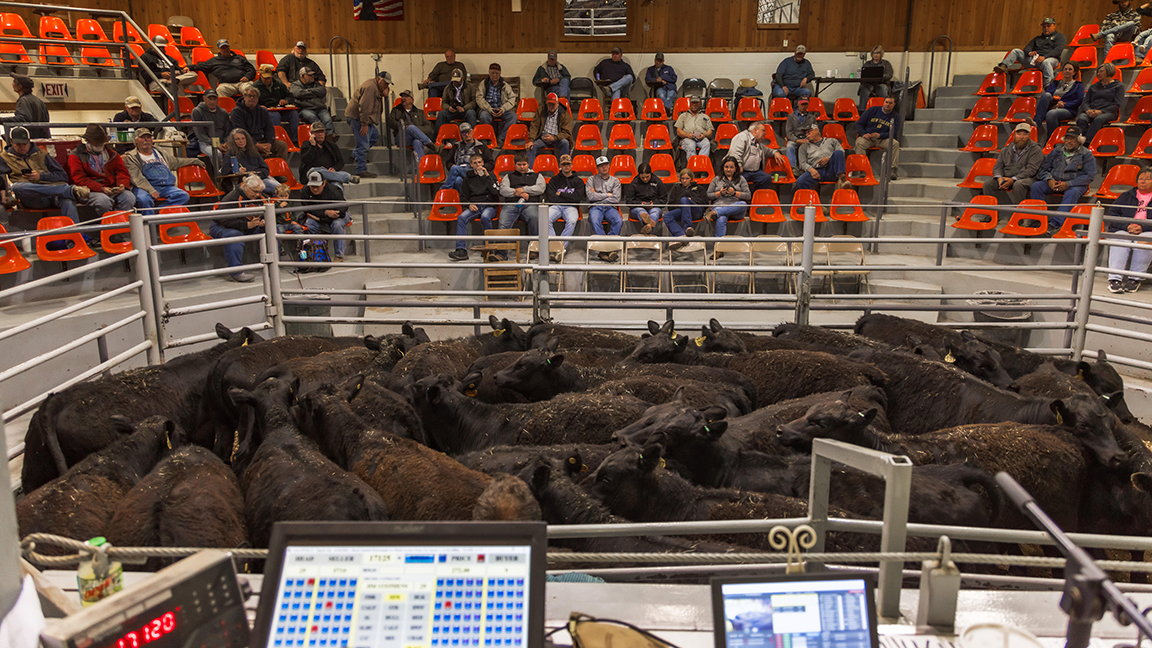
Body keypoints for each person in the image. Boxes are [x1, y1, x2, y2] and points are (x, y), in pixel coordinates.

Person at [0, 126, 88, 222]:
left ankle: (74, 234)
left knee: (68, 200)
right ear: (11, 142)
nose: (22, 147)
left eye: (24, 144)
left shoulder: (42, 154)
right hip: (32, 198)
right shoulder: (4, 157)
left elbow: (63, 176)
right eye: (18, 144)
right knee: (17, 187)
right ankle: (69, 190)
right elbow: (2, 181)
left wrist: (41, 176)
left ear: (29, 141)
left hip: (53, 195)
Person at [122, 128, 203, 214]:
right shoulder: (131, 157)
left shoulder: (160, 152)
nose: (146, 140)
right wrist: (151, 190)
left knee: (183, 196)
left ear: (152, 139)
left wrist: (195, 161)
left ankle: (159, 212)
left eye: (148, 137)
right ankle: (149, 223)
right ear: (136, 140)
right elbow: (136, 178)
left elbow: (176, 162)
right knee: (143, 199)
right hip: (145, 187)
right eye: (142, 137)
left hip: (166, 186)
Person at [1029, 125, 1096, 226]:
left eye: (1072, 139)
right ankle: (1038, 219)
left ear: (1079, 140)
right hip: (1055, 181)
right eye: (1067, 139)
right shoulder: (1056, 152)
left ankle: (1055, 223)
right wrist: (1049, 180)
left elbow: (1090, 175)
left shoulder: (1086, 154)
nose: (1069, 141)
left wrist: (1068, 183)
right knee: (1036, 186)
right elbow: (1044, 169)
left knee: (1073, 192)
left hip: (1075, 184)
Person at [67, 124, 136, 219]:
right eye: (97, 141)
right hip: (88, 190)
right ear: (89, 140)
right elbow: (79, 179)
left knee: (129, 198)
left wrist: (122, 185)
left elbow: (122, 172)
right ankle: (108, 227)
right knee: (103, 201)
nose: (100, 144)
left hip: (111, 187)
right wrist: (101, 188)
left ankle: (122, 227)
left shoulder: (112, 153)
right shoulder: (76, 155)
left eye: (101, 141)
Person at [209, 174, 265, 282]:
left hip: (248, 225)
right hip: (221, 226)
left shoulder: (259, 197)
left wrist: (264, 220)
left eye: (259, 192)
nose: (258, 195)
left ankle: (274, 263)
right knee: (234, 235)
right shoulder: (232, 198)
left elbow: (267, 210)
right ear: (246, 187)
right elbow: (223, 219)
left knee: (273, 229)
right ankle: (237, 272)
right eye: (255, 191)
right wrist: (246, 225)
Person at [1105, 168, 1152, 293]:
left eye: (1148, 179)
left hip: (1148, 230)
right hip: (1125, 229)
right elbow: (1113, 214)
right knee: (1119, 240)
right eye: (1141, 178)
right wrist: (1127, 226)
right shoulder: (1126, 196)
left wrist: (1143, 227)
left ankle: (1134, 279)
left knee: (1145, 242)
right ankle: (1114, 280)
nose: (1143, 181)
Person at [448, 153, 499, 261]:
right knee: (461, 217)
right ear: (471, 164)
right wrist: (469, 204)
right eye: (475, 163)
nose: (478, 165)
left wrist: (487, 176)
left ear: (483, 163)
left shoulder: (491, 175)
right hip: (475, 205)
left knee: (485, 217)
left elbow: (495, 191)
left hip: (489, 205)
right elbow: (463, 196)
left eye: (479, 162)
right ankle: (461, 250)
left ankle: (488, 248)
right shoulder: (468, 178)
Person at [994, 18, 1066, 88]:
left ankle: (1048, 85)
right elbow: (1027, 47)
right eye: (1044, 26)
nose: (1046, 28)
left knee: (1046, 62)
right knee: (1016, 51)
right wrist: (1029, 53)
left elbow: (1058, 49)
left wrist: (1044, 57)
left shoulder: (1060, 37)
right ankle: (1003, 66)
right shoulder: (1037, 38)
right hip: (1034, 61)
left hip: (1051, 59)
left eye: (1048, 26)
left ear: (1054, 26)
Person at [982, 122, 1044, 205]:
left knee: (1018, 185)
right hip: (1007, 177)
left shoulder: (1036, 149)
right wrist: (1000, 178)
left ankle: (1019, 215)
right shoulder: (1006, 149)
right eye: (1019, 134)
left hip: (1028, 178)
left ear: (1029, 136)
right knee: (988, 184)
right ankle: (990, 213)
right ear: (1014, 135)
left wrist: (1014, 179)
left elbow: (1031, 169)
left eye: (1024, 134)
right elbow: (998, 166)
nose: (1021, 137)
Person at [346, 70, 390, 179]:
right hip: (359, 118)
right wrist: (364, 124)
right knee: (363, 144)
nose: (387, 86)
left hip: (366, 118)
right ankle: (361, 169)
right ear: (379, 79)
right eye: (385, 83)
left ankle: (355, 155)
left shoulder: (376, 86)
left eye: (388, 84)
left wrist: (384, 92)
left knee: (374, 136)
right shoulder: (370, 88)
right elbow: (364, 108)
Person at [230, 85, 290, 160]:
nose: (252, 98)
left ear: (258, 99)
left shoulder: (263, 111)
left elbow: (270, 129)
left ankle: (280, 168)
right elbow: (241, 132)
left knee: (282, 145)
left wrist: (269, 143)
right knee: (249, 147)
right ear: (244, 97)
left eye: (254, 96)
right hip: (247, 142)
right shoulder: (237, 112)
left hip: (263, 140)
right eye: (249, 96)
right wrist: (257, 145)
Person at [302, 171, 350, 261]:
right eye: (312, 186)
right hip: (320, 217)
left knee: (337, 224)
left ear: (323, 183)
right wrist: (325, 213)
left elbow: (343, 209)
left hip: (337, 216)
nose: (315, 189)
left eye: (317, 186)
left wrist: (320, 217)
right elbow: (307, 209)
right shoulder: (305, 191)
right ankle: (314, 252)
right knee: (309, 223)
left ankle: (339, 255)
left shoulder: (334, 191)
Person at [182, 39, 256, 99]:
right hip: (226, 85)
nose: (225, 49)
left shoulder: (240, 58)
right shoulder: (214, 61)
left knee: (250, 88)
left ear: (229, 47)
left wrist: (247, 77)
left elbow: (251, 69)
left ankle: (251, 111)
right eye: (222, 48)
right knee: (220, 90)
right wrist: (189, 67)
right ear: (218, 49)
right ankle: (226, 112)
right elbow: (200, 66)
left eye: (226, 47)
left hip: (242, 83)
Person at [544, 154, 586, 252]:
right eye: (564, 164)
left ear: (572, 165)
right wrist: (569, 197)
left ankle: (561, 247)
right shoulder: (554, 180)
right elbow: (551, 198)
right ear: (560, 166)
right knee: (545, 219)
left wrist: (561, 194)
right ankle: (554, 245)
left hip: (571, 207)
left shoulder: (578, 181)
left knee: (572, 221)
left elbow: (577, 198)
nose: (566, 166)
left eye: (568, 164)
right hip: (556, 206)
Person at [854, 96, 901, 180]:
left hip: (883, 139)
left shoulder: (896, 116)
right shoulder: (872, 110)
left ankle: (893, 170)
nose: (888, 104)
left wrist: (880, 135)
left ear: (894, 104)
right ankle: (862, 170)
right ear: (883, 102)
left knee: (895, 144)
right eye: (886, 102)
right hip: (868, 138)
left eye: (890, 103)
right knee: (859, 143)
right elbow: (859, 124)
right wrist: (864, 133)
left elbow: (893, 133)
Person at [730, 121, 785, 193]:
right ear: (755, 130)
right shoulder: (742, 137)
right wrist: (739, 165)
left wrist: (776, 152)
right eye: (763, 130)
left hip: (755, 172)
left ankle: (756, 198)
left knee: (766, 178)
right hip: (742, 171)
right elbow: (734, 153)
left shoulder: (758, 144)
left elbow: (768, 151)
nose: (765, 133)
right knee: (738, 181)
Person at [1076, 63, 1124, 144]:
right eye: (1097, 72)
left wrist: (1101, 111)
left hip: (1108, 112)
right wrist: (1088, 110)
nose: (1098, 74)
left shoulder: (1118, 86)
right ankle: (1085, 141)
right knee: (1081, 119)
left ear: (1109, 72)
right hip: (1091, 110)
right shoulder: (1093, 86)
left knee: (1099, 119)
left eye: (1101, 71)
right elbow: (1085, 101)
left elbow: (1117, 104)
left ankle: (1085, 144)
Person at [498, 152, 544, 235]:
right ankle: (502, 248)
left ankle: (535, 246)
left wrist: (523, 189)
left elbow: (540, 189)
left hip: (530, 204)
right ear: (515, 165)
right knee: (503, 223)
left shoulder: (537, 176)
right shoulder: (508, 176)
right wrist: (516, 193)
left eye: (524, 164)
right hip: (511, 204)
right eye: (519, 164)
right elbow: (503, 190)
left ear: (528, 164)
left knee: (535, 218)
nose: (522, 167)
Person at [793, 124, 850, 192]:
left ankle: (842, 180)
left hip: (831, 169)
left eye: (809, 132)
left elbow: (842, 152)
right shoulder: (803, 147)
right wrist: (811, 170)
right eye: (806, 133)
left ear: (816, 130)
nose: (807, 134)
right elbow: (802, 163)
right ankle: (808, 199)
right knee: (800, 181)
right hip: (816, 170)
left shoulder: (831, 141)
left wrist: (828, 158)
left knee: (838, 152)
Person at [704, 157, 751, 240]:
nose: (728, 170)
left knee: (743, 204)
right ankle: (719, 248)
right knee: (721, 218)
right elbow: (708, 195)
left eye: (731, 167)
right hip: (720, 205)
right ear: (723, 167)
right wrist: (720, 193)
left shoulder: (741, 179)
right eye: (726, 167)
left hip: (736, 210)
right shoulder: (716, 179)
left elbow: (748, 196)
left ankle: (714, 212)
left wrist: (735, 193)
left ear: (735, 168)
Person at [1035, 63, 1084, 138]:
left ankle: (1052, 139)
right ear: (1062, 71)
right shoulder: (1055, 83)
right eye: (1065, 69)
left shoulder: (1078, 85)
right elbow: (1048, 98)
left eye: (1070, 69)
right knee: (1046, 95)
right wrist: (1055, 104)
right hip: (1053, 106)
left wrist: (1064, 104)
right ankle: (1036, 122)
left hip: (1068, 109)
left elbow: (1079, 100)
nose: (1067, 71)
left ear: (1074, 72)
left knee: (1051, 114)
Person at [300, 122, 357, 186]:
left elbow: (340, 162)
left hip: (329, 175)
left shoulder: (331, 146)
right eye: (317, 132)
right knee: (317, 172)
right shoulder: (306, 145)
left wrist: (334, 168)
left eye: (322, 132)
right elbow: (305, 161)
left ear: (325, 133)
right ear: (312, 134)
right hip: (313, 174)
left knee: (337, 185)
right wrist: (313, 146)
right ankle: (347, 177)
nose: (320, 134)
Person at [440, 122, 493, 191]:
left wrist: (480, 167)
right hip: (459, 169)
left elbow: (491, 163)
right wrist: (451, 166)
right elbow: (448, 161)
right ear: (461, 134)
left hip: (473, 171)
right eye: (464, 133)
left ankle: (444, 190)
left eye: (468, 132)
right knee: (458, 180)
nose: (467, 135)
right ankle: (461, 200)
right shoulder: (456, 146)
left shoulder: (481, 146)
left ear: (472, 131)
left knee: (455, 169)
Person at [255, 64, 299, 145]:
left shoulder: (279, 84)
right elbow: (252, 103)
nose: (268, 80)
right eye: (265, 78)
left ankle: (296, 140)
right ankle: (278, 140)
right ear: (260, 76)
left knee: (294, 114)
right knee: (275, 116)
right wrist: (259, 107)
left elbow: (290, 96)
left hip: (280, 109)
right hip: (265, 112)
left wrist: (286, 100)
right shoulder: (255, 87)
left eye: (269, 77)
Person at [223, 129, 278, 194]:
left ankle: (277, 204)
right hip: (245, 182)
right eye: (237, 139)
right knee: (277, 189)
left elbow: (265, 169)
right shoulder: (230, 154)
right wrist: (237, 171)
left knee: (280, 189)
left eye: (243, 138)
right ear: (233, 141)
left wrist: (256, 174)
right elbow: (224, 171)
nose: (241, 141)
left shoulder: (253, 152)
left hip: (259, 179)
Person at [665, 169, 708, 247]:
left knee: (684, 199)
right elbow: (670, 205)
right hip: (681, 210)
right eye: (682, 178)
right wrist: (682, 206)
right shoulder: (676, 188)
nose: (684, 181)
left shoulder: (699, 188)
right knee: (667, 216)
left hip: (696, 211)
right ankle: (680, 236)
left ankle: (687, 227)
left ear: (691, 179)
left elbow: (705, 204)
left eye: (687, 178)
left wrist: (691, 201)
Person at [588, 155, 623, 250]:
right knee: (594, 221)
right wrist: (608, 194)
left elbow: (616, 199)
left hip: (610, 207)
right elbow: (591, 196)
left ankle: (607, 246)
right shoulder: (591, 180)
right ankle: (607, 248)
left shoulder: (615, 181)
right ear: (597, 168)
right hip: (595, 207)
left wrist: (598, 196)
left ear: (609, 166)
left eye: (605, 165)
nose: (603, 167)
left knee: (619, 221)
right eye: (601, 165)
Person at [387, 90, 434, 161]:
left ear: (412, 100)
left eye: (406, 96)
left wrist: (415, 130)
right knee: (411, 127)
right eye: (402, 96)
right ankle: (431, 145)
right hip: (401, 137)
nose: (403, 98)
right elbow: (390, 122)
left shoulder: (419, 112)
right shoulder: (396, 110)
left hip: (416, 138)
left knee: (417, 142)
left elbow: (428, 127)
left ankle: (419, 169)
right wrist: (404, 126)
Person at [190, 89, 231, 170]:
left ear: (217, 99)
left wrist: (227, 142)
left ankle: (233, 176)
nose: (212, 101)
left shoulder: (223, 112)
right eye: (209, 99)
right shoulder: (197, 111)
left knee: (236, 151)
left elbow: (228, 130)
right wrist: (216, 144)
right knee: (217, 154)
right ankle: (219, 176)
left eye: (214, 99)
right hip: (206, 142)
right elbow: (200, 134)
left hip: (222, 141)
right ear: (204, 98)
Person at [477, 63, 517, 145]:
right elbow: (479, 98)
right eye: (492, 73)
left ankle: (502, 138)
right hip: (487, 110)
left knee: (513, 116)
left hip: (501, 110)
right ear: (489, 73)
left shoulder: (505, 85)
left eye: (496, 73)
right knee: (483, 116)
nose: (494, 75)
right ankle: (488, 137)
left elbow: (512, 98)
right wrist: (488, 108)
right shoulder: (483, 84)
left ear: (500, 74)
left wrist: (503, 109)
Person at [527, 92, 572, 164]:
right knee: (532, 146)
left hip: (557, 139)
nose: (551, 106)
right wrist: (531, 140)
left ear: (557, 103)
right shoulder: (540, 111)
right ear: (546, 104)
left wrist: (554, 138)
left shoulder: (564, 114)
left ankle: (564, 167)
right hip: (543, 139)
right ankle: (529, 171)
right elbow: (534, 126)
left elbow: (567, 132)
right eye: (549, 104)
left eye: (553, 104)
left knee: (565, 143)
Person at [289, 67, 334, 136]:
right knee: (314, 119)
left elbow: (322, 91)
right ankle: (320, 136)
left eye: (312, 75)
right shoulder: (295, 85)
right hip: (305, 109)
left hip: (320, 108)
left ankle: (329, 137)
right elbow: (298, 93)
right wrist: (314, 93)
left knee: (328, 120)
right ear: (302, 76)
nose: (312, 76)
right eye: (309, 75)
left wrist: (307, 91)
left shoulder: (316, 84)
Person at [3, 74, 49, 139]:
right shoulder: (39, 100)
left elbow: (22, 120)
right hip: (43, 139)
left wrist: (2, 120)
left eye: (14, 82)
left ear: (20, 86)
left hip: (32, 141)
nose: (12, 84)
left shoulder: (24, 101)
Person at [624, 163, 665, 235]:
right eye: (642, 177)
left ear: (651, 173)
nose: (645, 179)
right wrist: (640, 204)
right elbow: (628, 201)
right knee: (641, 211)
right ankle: (649, 226)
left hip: (654, 207)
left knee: (655, 212)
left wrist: (654, 203)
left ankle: (648, 226)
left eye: (647, 177)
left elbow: (664, 198)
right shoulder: (634, 183)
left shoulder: (657, 182)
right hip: (637, 208)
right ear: (639, 174)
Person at [435, 69, 477, 133]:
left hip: (465, 110)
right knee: (441, 114)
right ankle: (438, 138)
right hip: (453, 110)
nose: (455, 83)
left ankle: (473, 136)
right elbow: (444, 102)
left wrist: (464, 108)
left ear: (462, 78)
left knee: (471, 113)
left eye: (457, 81)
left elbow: (474, 101)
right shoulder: (447, 88)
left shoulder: (470, 87)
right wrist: (449, 108)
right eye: (454, 81)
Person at [783, 97, 819, 172]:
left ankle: (810, 167)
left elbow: (816, 130)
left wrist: (809, 138)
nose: (804, 106)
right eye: (802, 104)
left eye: (806, 104)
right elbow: (789, 133)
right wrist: (797, 140)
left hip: (807, 138)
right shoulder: (791, 117)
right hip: (795, 138)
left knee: (815, 146)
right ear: (798, 104)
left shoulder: (811, 117)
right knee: (790, 146)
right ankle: (792, 168)